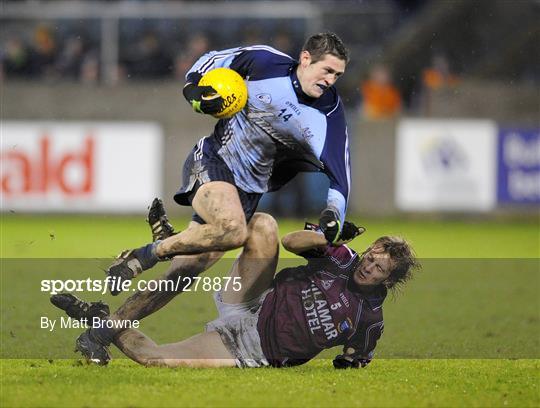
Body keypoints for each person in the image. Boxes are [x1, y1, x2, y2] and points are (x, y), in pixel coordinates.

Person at [54, 213, 418, 368]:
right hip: (253, 298)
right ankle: (179, 243)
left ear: (387, 280)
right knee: (263, 225)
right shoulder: (341, 259)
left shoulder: (369, 319)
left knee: (154, 359)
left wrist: (350, 361)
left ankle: (101, 317)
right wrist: (327, 237)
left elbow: (356, 355)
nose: (367, 266)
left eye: (378, 268)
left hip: (252, 350)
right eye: (371, 256)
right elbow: (291, 241)